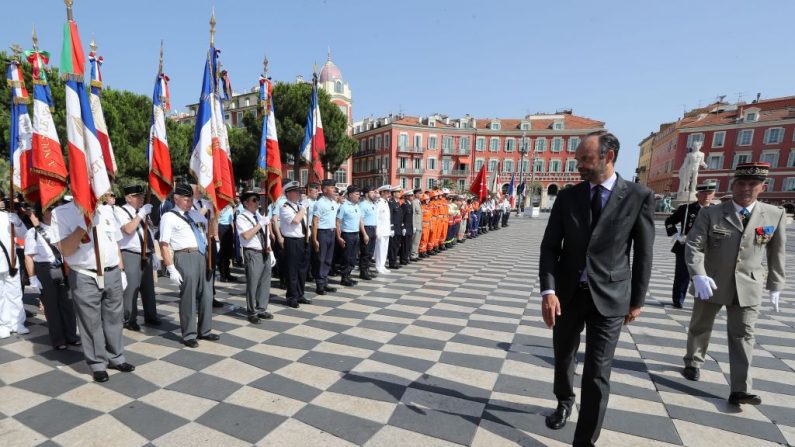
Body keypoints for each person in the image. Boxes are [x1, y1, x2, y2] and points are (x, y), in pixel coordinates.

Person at [539, 131, 654, 446]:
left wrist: (638, 300)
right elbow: (550, 248)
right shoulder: (568, 197)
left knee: (597, 373)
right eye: (578, 159)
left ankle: (584, 441)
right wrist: (548, 292)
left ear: (609, 157)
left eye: (585, 160)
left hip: (612, 297)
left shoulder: (637, 196)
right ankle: (564, 400)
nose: (579, 166)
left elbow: (644, 253)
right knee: (563, 356)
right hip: (568, 294)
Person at [682, 162, 786, 406]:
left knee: (744, 335)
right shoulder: (712, 213)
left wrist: (776, 284)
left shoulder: (773, 214)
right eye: (741, 183)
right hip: (712, 281)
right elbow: (694, 245)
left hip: (749, 285)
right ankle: (694, 361)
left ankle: (740, 388)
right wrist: (697, 274)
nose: (746, 189)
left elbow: (776, 252)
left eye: (753, 184)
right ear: (733, 185)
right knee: (700, 326)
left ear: (763, 187)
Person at [51, 198, 135, 382]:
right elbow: (65, 250)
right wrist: (83, 226)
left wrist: (121, 270)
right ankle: (98, 363)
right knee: (90, 321)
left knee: (114, 317)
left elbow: (116, 243)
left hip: (112, 271)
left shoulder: (106, 210)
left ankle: (116, 357)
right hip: (84, 273)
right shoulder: (61, 213)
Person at [159, 184, 220, 348]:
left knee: (207, 295)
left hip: (203, 256)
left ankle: (205, 330)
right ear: (176, 198)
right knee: (189, 296)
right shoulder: (169, 217)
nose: (189, 202)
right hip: (185, 256)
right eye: (186, 199)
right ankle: (189, 334)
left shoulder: (195, 214)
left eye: (191, 199)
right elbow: (164, 244)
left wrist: (213, 213)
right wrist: (170, 267)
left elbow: (210, 230)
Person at [24, 204, 78, 349]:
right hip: (45, 270)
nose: (53, 212)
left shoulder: (61, 228)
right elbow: (29, 256)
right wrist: (32, 278)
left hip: (63, 269)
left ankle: (71, 336)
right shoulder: (33, 232)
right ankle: (58, 340)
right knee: (52, 307)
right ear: (42, 213)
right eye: (50, 209)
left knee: (68, 304)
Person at [114, 185, 161, 331]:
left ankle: (151, 315)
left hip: (146, 253)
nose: (141, 199)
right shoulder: (120, 210)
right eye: (137, 196)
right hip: (131, 254)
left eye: (141, 196)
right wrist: (140, 214)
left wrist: (154, 253)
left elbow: (150, 232)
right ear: (128, 198)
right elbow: (128, 229)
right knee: (132, 288)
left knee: (148, 287)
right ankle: (129, 318)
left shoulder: (142, 212)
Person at [664, 182, 716, 308]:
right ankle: (678, 300)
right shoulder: (686, 209)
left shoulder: (717, 211)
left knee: (704, 276)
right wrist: (676, 235)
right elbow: (669, 221)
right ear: (697, 195)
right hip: (685, 245)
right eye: (703, 193)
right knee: (682, 275)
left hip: (708, 249)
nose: (706, 196)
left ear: (714, 194)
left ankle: (702, 301)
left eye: (710, 193)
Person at [236, 191, 276, 324]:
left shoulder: (258, 216)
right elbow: (246, 235)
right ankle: (252, 311)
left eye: (258, 200)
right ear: (246, 203)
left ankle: (261, 308)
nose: (257, 203)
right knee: (253, 283)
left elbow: (266, 234)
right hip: (252, 253)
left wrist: (270, 251)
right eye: (254, 200)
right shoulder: (241, 218)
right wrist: (260, 224)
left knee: (265, 283)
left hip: (264, 251)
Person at [279, 181, 311, 308]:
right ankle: (291, 297)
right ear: (288, 193)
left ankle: (300, 294)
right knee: (292, 270)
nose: (298, 193)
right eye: (295, 191)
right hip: (292, 241)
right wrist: (303, 208)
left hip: (303, 240)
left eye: (298, 191)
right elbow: (296, 220)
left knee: (302, 269)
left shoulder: (298, 207)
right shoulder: (285, 208)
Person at [0, 206, 27, 339]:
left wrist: (18, 223)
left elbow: (23, 234)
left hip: (11, 261)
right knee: (0, 296)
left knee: (15, 292)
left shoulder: (7, 216)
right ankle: (4, 324)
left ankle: (17, 322)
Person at [312, 180, 339, 295]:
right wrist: (314, 239)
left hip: (331, 232)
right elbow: (315, 221)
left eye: (334, 188)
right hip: (322, 233)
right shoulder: (320, 203)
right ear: (324, 190)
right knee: (321, 259)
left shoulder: (333, 202)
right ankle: (320, 284)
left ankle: (325, 281)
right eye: (332, 188)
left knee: (328, 260)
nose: (334, 190)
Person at [336, 185, 365, 287]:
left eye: (359, 194)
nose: (359, 196)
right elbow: (338, 222)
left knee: (353, 257)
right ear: (350, 195)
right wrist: (339, 237)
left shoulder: (357, 206)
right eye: (357, 194)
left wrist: (364, 233)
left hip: (356, 233)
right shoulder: (343, 206)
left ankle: (349, 275)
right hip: (347, 234)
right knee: (346, 257)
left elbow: (361, 220)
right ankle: (344, 277)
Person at [358, 186, 377, 280]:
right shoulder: (362, 205)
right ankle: (363, 272)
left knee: (370, 252)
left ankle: (367, 269)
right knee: (365, 252)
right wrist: (364, 234)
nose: (374, 194)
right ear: (366, 194)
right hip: (366, 229)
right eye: (372, 192)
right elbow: (361, 220)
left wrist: (375, 231)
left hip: (372, 229)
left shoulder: (373, 204)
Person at [374, 185, 393, 274]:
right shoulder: (379, 202)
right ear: (382, 193)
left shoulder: (386, 202)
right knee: (380, 249)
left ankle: (382, 265)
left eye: (389, 192)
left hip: (386, 230)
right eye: (387, 192)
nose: (389, 194)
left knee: (385, 249)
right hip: (380, 230)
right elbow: (376, 217)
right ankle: (378, 266)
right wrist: (377, 230)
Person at [217, 199, 237, 282]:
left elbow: (231, 220)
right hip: (221, 227)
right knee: (222, 252)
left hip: (228, 227)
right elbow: (216, 217)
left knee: (228, 252)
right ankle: (223, 275)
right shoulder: (220, 204)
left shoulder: (230, 207)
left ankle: (227, 273)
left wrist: (232, 232)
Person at [387, 186, 404, 268]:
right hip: (394, 228)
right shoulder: (391, 203)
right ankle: (392, 263)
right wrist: (391, 228)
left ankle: (394, 261)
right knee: (393, 246)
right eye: (398, 192)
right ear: (394, 194)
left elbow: (400, 216)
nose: (399, 193)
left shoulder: (398, 203)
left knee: (397, 245)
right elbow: (390, 216)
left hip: (399, 228)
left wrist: (402, 226)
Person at [399, 190, 414, 264]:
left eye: (412, 195)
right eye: (411, 196)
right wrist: (403, 227)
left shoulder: (410, 204)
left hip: (410, 227)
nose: (412, 197)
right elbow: (402, 217)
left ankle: (406, 257)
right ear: (407, 197)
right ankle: (403, 259)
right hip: (406, 227)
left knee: (408, 244)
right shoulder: (404, 205)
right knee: (404, 244)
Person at [410, 188, 423, 261]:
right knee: (414, 241)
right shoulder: (414, 202)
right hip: (416, 225)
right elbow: (413, 215)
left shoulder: (419, 202)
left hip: (419, 225)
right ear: (415, 194)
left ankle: (415, 253)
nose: (421, 194)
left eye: (421, 193)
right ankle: (413, 255)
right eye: (419, 193)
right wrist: (414, 226)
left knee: (417, 241)